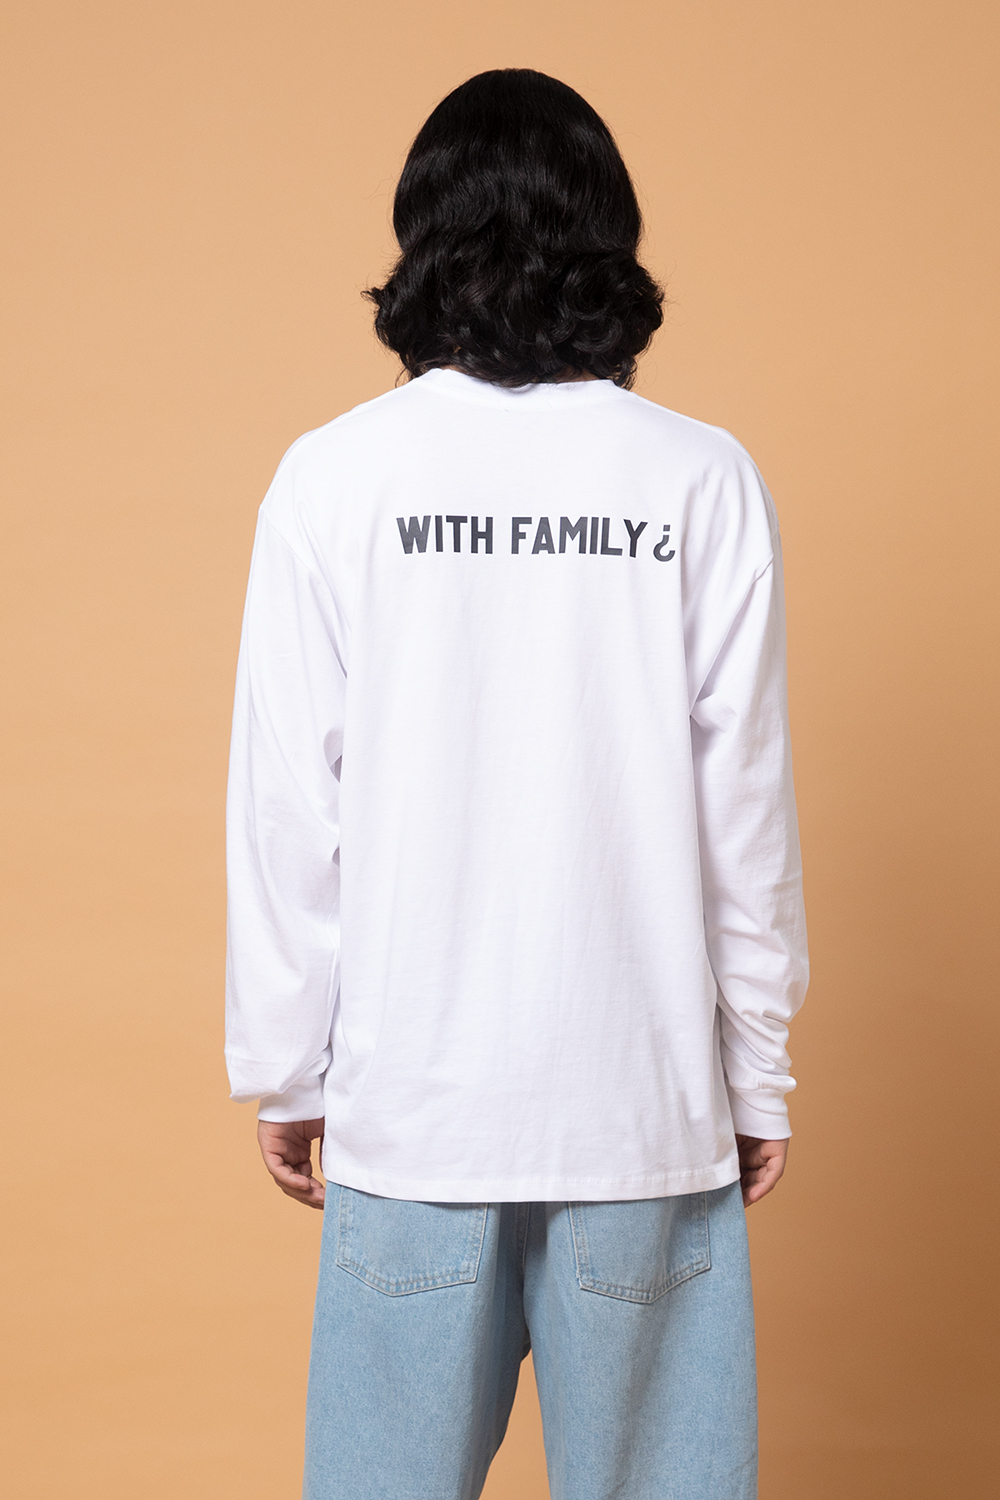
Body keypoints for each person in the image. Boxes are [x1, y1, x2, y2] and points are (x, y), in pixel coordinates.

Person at [225, 67, 808, 1500]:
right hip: (642, 1103)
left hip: (414, 1107)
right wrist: (756, 1067)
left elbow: (291, 803)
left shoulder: (333, 478)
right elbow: (742, 808)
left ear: (423, 237)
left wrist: (286, 1063)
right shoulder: (699, 478)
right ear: (610, 234)